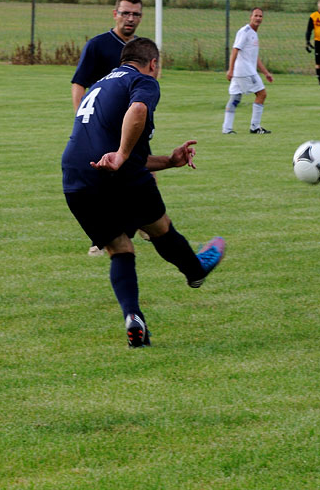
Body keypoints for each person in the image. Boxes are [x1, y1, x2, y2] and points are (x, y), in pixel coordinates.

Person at [63, 37, 226, 348]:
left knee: (119, 248)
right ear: (154, 64)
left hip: (75, 176)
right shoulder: (143, 80)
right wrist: (123, 155)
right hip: (115, 171)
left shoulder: (98, 86)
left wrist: (168, 161)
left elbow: (110, 147)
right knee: (160, 227)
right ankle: (195, 270)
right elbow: (137, 111)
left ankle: (133, 317)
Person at [71, 0, 145, 256]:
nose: (130, 18)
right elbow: (79, 83)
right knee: (102, 181)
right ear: (115, 14)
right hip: (101, 126)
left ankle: (141, 222)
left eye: (135, 14)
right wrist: (83, 120)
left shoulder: (142, 50)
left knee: (143, 172)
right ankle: (101, 238)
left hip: (131, 125)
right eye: (125, 13)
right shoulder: (98, 45)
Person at [223, 7, 274, 134]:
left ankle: (227, 129)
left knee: (235, 98)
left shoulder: (254, 34)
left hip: (241, 71)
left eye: (260, 16)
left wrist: (266, 73)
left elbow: (254, 57)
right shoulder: (245, 31)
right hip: (244, 71)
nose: (258, 18)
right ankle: (255, 127)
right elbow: (235, 50)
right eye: (256, 15)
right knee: (262, 94)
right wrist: (230, 69)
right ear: (250, 17)